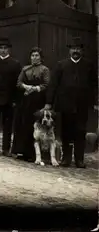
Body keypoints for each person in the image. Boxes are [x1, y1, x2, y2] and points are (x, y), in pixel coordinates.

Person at [45, 37, 98, 168]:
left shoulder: (89, 65)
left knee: (80, 132)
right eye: (73, 49)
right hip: (65, 105)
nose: (75, 51)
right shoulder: (61, 65)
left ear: (82, 51)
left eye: (78, 49)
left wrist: (95, 101)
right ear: (69, 51)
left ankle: (79, 159)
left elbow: (94, 85)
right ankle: (66, 158)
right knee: (66, 132)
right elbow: (53, 85)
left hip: (82, 105)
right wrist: (49, 102)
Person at [11, 47, 50, 162]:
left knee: (34, 125)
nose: (34, 58)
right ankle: (21, 151)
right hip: (25, 99)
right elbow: (18, 82)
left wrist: (35, 88)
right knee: (23, 124)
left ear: (41, 57)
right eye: (32, 55)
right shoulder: (25, 69)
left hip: (38, 100)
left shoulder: (45, 70)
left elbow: (47, 84)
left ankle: (32, 154)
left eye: (37, 55)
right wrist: (26, 87)